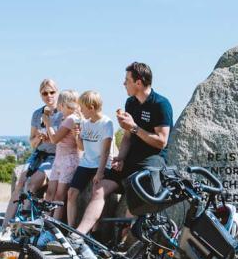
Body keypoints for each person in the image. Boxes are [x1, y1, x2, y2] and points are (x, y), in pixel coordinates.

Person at [73, 62, 173, 234]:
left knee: (137, 203)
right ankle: (79, 235)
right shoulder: (131, 103)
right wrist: (120, 158)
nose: (123, 83)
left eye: (127, 80)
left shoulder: (161, 104)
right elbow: (127, 137)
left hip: (150, 162)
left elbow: (161, 141)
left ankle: (123, 244)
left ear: (139, 83)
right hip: (130, 160)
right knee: (99, 189)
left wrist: (134, 127)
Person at [0, 79, 62, 241]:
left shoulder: (63, 113)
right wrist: (39, 137)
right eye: (45, 93)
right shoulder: (37, 114)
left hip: (55, 156)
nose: (49, 96)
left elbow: (61, 141)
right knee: (20, 183)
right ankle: (5, 227)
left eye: (52, 92)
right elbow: (32, 141)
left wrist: (49, 135)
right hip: (39, 153)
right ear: (40, 95)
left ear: (57, 92)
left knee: (32, 184)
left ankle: (20, 227)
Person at [66, 90, 119, 234]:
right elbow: (82, 147)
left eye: (82, 108)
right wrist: (77, 136)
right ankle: (70, 229)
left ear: (91, 108)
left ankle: (93, 233)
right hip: (86, 162)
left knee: (95, 194)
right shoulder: (85, 123)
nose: (81, 111)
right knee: (71, 193)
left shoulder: (106, 123)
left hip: (102, 163)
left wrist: (100, 172)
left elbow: (106, 151)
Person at [44, 89, 82, 221]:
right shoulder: (67, 118)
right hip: (59, 159)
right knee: (50, 192)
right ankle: (46, 220)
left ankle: (53, 224)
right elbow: (61, 139)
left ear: (63, 104)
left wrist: (47, 123)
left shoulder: (71, 119)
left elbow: (55, 139)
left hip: (68, 161)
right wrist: (48, 137)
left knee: (59, 196)